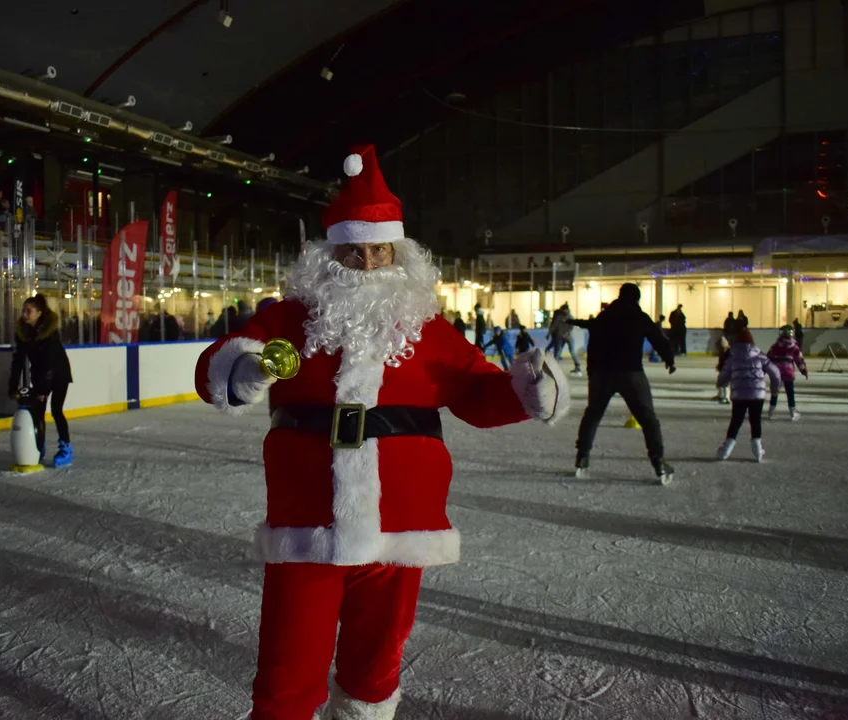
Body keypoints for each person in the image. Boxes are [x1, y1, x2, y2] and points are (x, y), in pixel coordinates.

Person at [194, 144, 569, 720]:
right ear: (328, 255)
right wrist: (242, 371)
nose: (368, 263)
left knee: (375, 664)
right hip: (308, 520)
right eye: (353, 251)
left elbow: (476, 392)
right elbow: (220, 361)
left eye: (379, 250)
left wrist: (528, 392)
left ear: (400, 254)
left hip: (401, 522)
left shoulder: (428, 329)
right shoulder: (290, 320)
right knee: (288, 667)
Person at [570, 283, 676, 484]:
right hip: (631, 373)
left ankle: (582, 458)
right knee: (648, 418)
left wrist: (592, 373)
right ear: (636, 298)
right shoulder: (639, 317)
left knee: (593, 415)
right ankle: (659, 462)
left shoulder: (604, 316)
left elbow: (592, 340)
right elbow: (658, 339)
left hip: (602, 374)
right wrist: (669, 359)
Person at [8, 295, 74, 467]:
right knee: (37, 413)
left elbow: (50, 362)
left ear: (39, 313)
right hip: (39, 375)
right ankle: (39, 445)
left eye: (28, 311)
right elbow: (18, 360)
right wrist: (12, 386)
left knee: (56, 410)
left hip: (59, 374)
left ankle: (66, 448)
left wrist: (43, 390)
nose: (24, 314)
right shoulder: (23, 332)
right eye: (23, 310)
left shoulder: (50, 332)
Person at [716, 329, 781, 462]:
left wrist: (721, 383)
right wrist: (775, 389)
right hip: (757, 394)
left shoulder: (732, 356)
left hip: (739, 394)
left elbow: (724, 375)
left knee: (736, 421)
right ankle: (757, 451)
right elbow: (775, 373)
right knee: (755, 421)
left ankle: (725, 451)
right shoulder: (759, 355)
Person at [766, 325, 808, 420]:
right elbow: (799, 360)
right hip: (788, 371)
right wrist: (803, 370)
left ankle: (771, 410)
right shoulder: (794, 347)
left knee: (775, 391)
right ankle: (792, 412)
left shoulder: (776, 346)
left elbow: (768, 358)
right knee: (790, 392)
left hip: (776, 372)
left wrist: (765, 370)